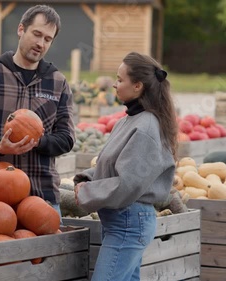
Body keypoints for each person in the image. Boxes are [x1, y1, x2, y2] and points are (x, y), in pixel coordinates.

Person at [73, 51, 178, 281]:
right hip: (123, 221)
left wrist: (88, 192)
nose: (114, 84)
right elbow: (112, 164)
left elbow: (128, 183)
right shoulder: (128, 121)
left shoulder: (147, 128)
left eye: (120, 80)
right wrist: (86, 178)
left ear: (138, 86)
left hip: (129, 223)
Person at [0, 4, 75, 215]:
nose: (40, 43)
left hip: (41, 194)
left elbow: (66, 138)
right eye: (37, 34)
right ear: (21, 29)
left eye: (48, 39)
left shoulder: (57, 82)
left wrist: (34, 140)